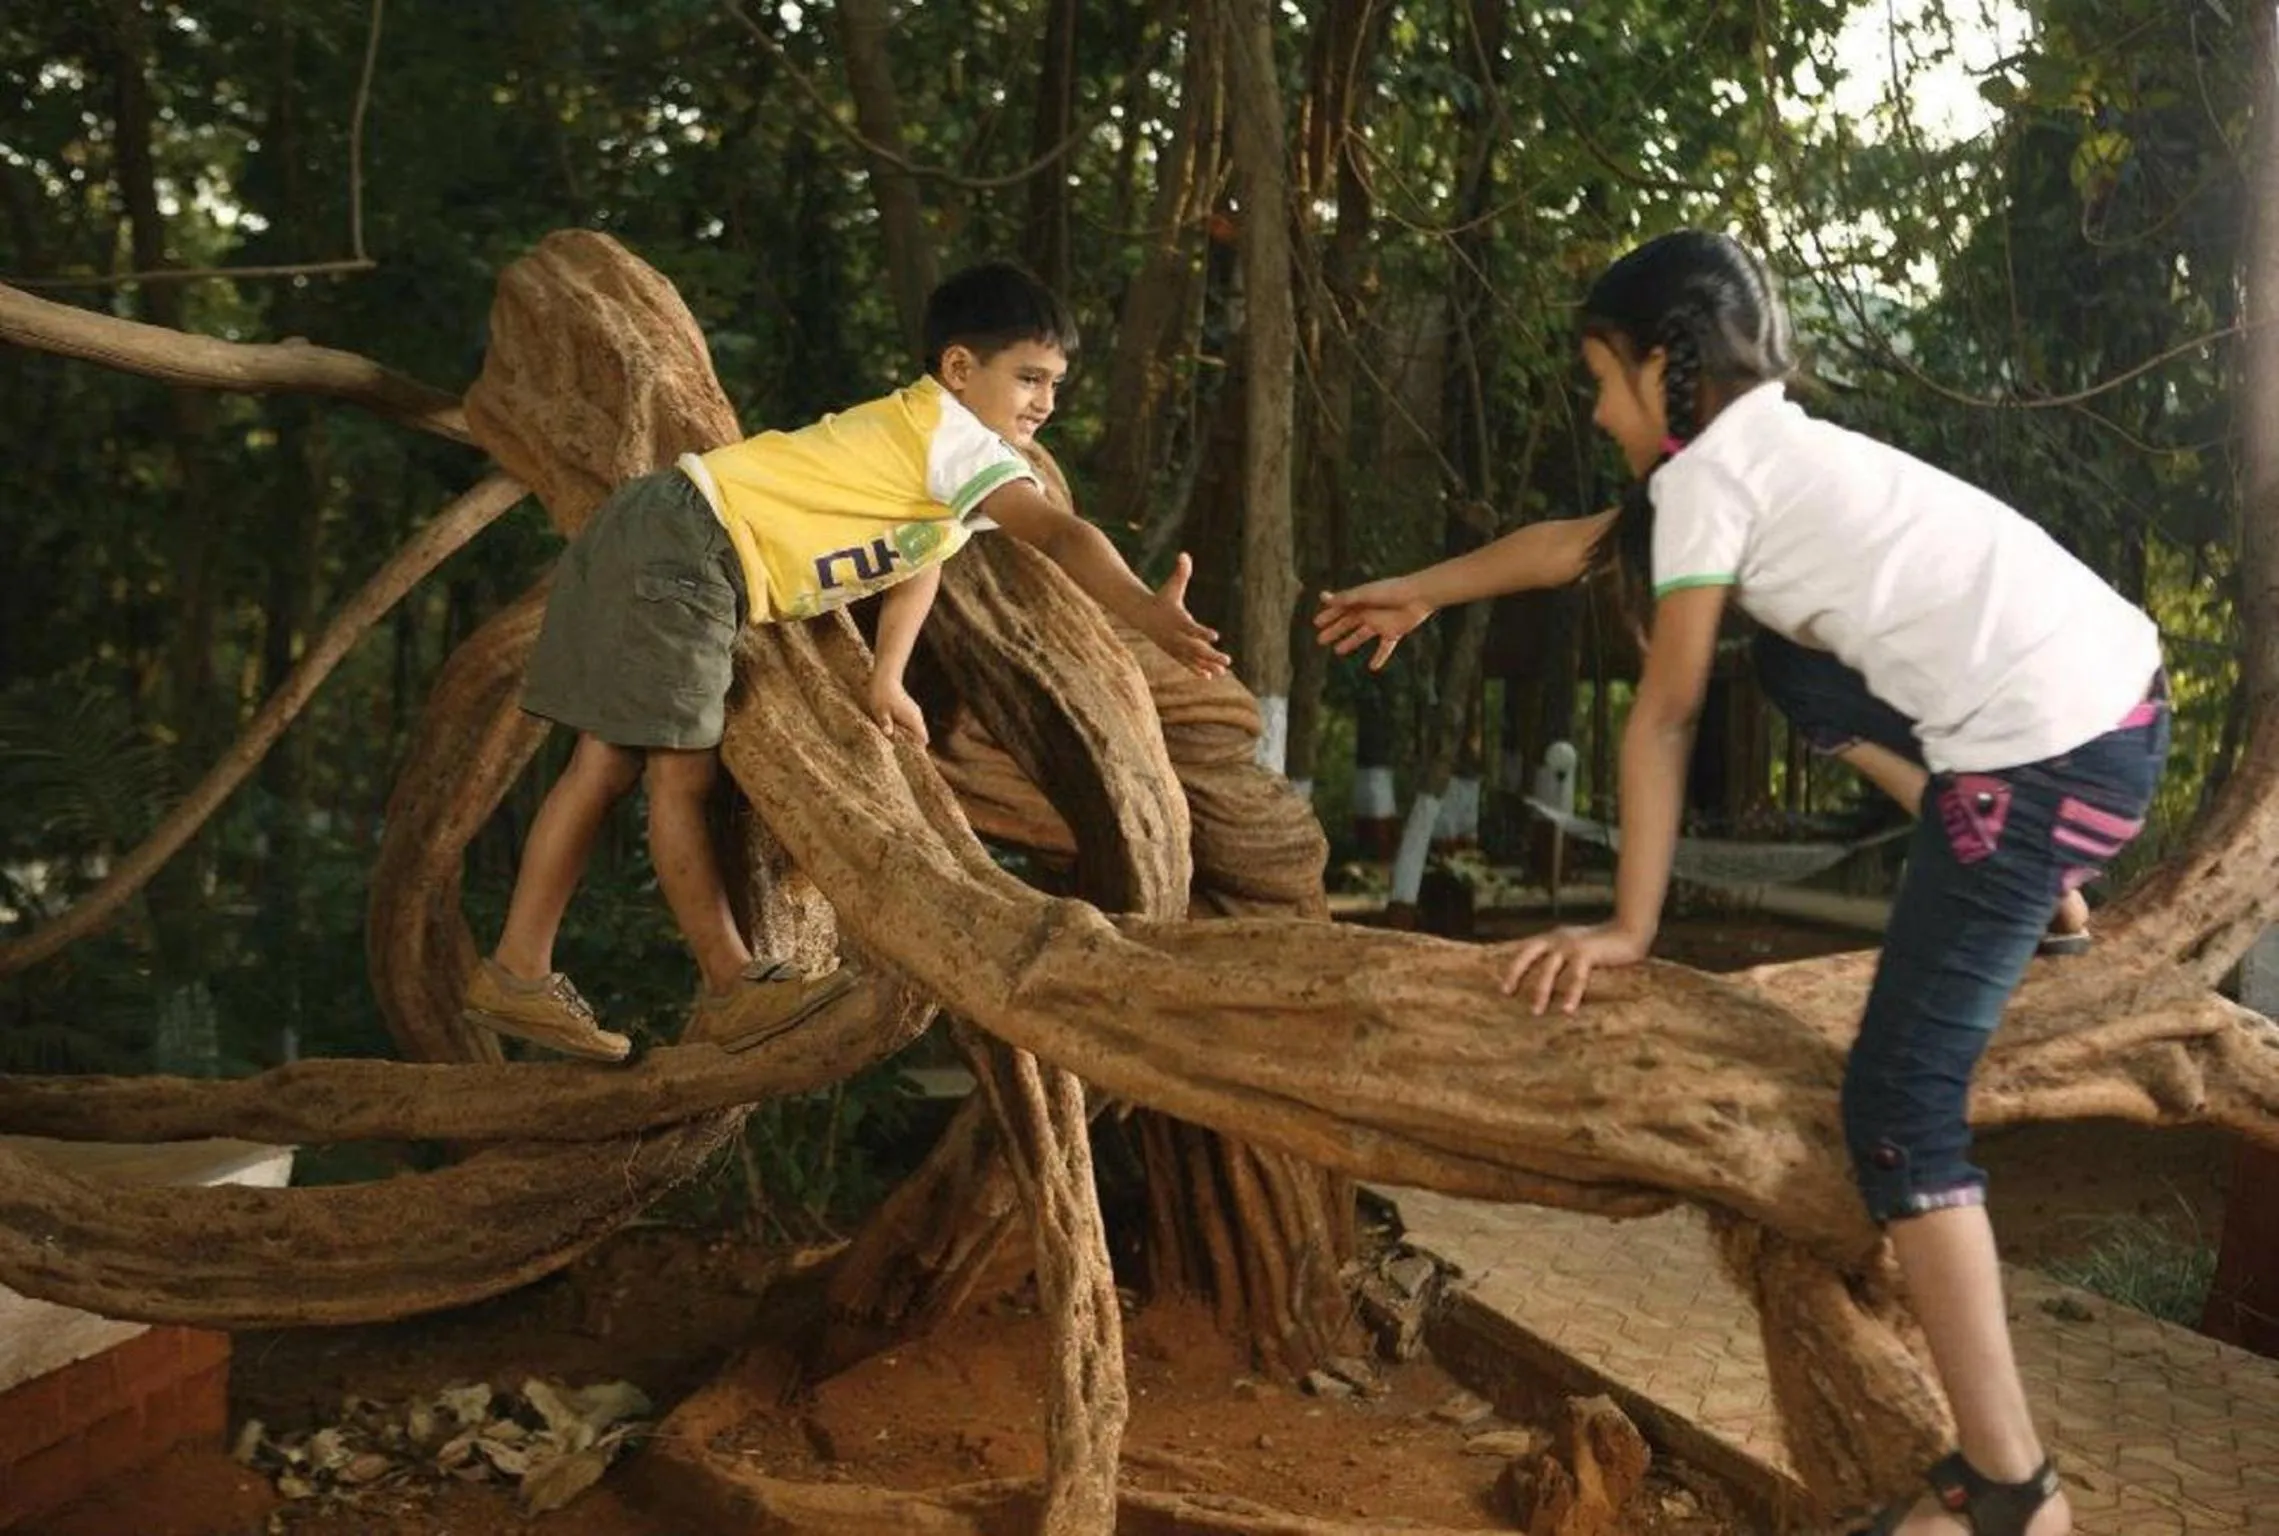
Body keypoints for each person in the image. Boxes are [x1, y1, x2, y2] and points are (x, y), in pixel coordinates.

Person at [1316, 230, 2166, 1536]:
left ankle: (2010, 1490)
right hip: (2110, 711)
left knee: (1895, 1107)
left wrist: (1628, 926)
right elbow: (1572, 544)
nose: (1596, 414)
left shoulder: (1707, 481)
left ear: (1663, 370)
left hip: (2042, 765)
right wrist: (1419, 594)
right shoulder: (1767, 455)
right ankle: (2044, 889)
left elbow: (1661, 716)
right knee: (1791, 664)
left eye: (1601, 382)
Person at [463, 260, 1230, 1062]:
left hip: (658, 526)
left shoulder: (929, 440)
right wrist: (1144, 610)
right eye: (1029, 378)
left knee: (602, 764)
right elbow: (1060, 535)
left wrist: (886, 675)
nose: (1045, 402)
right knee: (676, 776)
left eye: (1055, 385)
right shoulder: (958, 440)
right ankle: (729, 986)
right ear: (959, 367)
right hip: (689, 546)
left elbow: (922, 554)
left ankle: (519, 969)